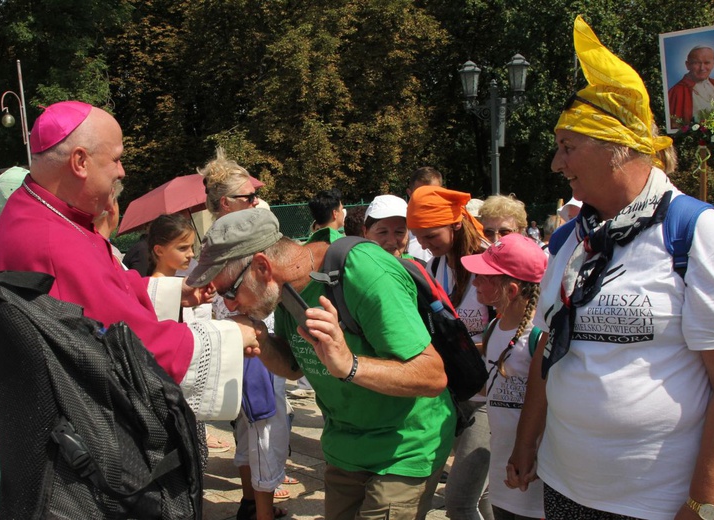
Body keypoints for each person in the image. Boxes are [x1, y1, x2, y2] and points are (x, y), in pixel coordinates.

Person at [507, 17, 714, 520]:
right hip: (564, 488)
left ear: (616, 147)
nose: (556, 164)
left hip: (654, 502)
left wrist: (710, 501)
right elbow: (548, 346)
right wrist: (527, 443)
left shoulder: (697, 232)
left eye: (568, 147)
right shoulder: (570, 238)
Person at [0, 101, 252, 422]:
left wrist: (174, 291)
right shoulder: (54, 243)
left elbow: (101, 289)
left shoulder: (34, 209)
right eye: (116, 159)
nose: (122, 170)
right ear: (80, 161)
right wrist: (233, 335)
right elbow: (133, 344)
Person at [187, 208, 457, 520]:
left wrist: (349, 365)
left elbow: (432, 375)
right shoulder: (288, 285)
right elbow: (293, 366)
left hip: (404, 448)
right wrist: (260, 339)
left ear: (262, 266)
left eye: (229, 292)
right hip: (345, 448)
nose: (229, 305)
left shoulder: (365, 273)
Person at [198, 149, 291, 520]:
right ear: (226, 202)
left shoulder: (216, 240)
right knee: (264, 428)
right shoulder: (227, 246)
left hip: (241, 343)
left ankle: (252, 503)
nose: (255, 201)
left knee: (249, 429)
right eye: (248, 197)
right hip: (251, 345)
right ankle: (262, 510)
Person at [407, 186, 493, 520]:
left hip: (488, 397)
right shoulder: (435, 265)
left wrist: (459, 348)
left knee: (459, 501)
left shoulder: (491, 261)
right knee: (482, 497)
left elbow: (513, 334)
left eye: (430, 236)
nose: (424, 245)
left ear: (456, 225)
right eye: (419, 237)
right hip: (454, 394)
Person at [462, 234, 547, 520]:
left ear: (510, 290)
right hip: (501, 467)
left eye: (483, 277)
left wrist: (530, 455)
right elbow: (492, 389)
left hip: (532, 474)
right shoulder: (494, 328)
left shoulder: (538, 337)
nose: (474, 282)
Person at [668, 45, 714, 126]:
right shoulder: (677, 92)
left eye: (707, 63)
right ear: (687, 65)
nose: (702, 68)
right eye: (696, 63)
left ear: (713, 64)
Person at [405, 166, 443, 262]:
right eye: (421, 194)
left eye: (434, 193)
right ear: (410, 193)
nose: (428, 200)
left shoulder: (453, 226)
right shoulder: (402, 232)